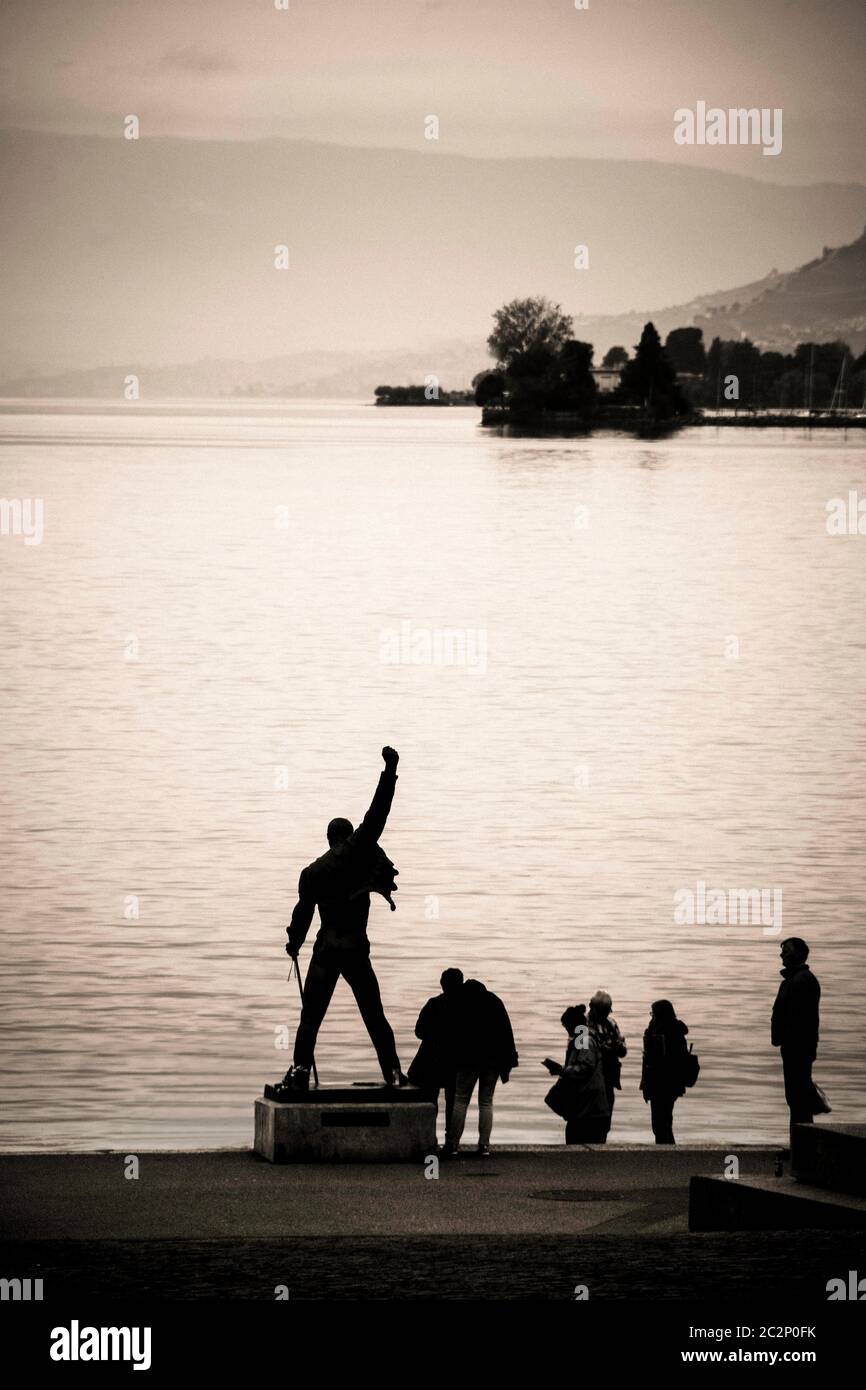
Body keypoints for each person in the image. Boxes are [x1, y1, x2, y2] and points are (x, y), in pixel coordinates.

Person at [273, 746, 404, 1095]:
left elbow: (303, 913)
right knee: (374, 1015)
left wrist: (294, 942)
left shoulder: (312, 872)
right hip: (355, 948)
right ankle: (392, 1073)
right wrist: (389, 770)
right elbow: (378, 813)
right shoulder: (360, 852)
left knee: (310, 1018)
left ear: (329, 838)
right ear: (348, 836)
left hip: (326, 949)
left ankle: (300, 1070)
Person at [445, 979, 518, 1156]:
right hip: (493, 1059)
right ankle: (484, 1145)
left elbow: (454, 1032)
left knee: (461, 1099)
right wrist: (509, 1059)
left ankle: (453, 1144)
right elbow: (506, 1031)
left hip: (468, 1058)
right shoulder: (494, 1001)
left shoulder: (462, 1002)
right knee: (486, 1101)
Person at [771, 937, 826, 1144]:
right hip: (796, 1048)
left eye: (785, 951)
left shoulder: (800, 980)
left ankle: (802, 1146)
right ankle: (801, 1145)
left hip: (797, 1049)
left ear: (797, 954)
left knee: (798, 1099)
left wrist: (787, 1039)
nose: (781, 955)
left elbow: (800, 1019)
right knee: (797, 1098)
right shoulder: (798, 979)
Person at [409, 968, 464, 1142]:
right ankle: (451, 1140)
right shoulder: (465, 1007)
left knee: (431, 1100)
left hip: (430, 1059)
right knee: (453, 1103)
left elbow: (419, 1032)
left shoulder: (433, 1004)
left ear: (442, 984)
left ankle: (430, 1138)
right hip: (455, 1060)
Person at [543, 1004, 609, 1144]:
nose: (566, 1030)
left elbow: (584, 1068)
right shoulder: (582, 1038)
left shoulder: (584, 1040)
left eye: (566, 1026)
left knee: (576, 1139)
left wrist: (561, 1070)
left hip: (588, 1108)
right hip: (589, 1106)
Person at [639, 999, 689, 1144]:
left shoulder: (659, 1032)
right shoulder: (676, 1030)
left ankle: (665, 1155)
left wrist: (647, 1086)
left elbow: (652, 1062)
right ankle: (669, 1152)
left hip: (660, 1084)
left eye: (653, 1013)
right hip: (672, 1084)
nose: (651, 1017)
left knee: (659, 1124)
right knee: (666, 1121)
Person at [588, 989, 627, 1137]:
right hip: (590, 1080)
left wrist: (618, 1048)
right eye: (603, 1011)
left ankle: (601, 1148)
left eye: (607, 1011)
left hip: (608, 1079)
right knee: (589, 1118)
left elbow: (623, 1051)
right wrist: (600, 1050)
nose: (606, 1015)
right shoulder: (581, 1026)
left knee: (606, 1119)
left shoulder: (612, 1023)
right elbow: (578, 1051)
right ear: (592, 1007)